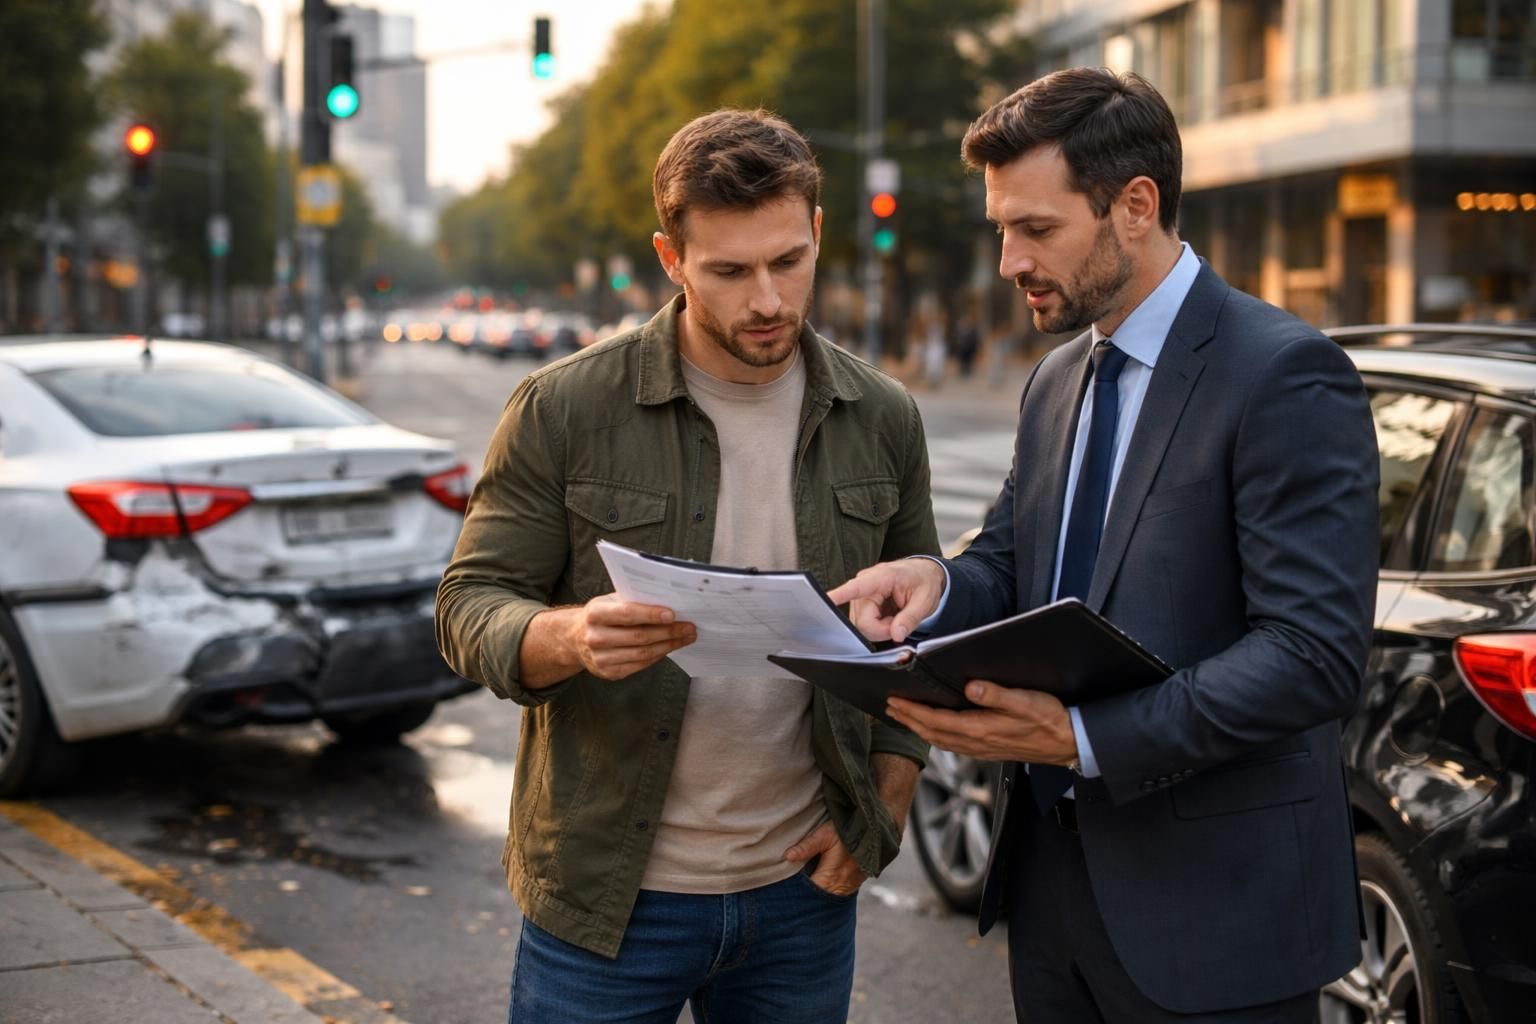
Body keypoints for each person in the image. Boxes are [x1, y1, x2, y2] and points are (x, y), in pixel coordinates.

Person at [829, 68, 1378, 1023]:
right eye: (1001, 228)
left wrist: (1082, 739)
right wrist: (933, 583)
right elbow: (1010, 563)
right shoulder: (1054, 382)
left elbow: (1313, 655)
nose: (1008, 261)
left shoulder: (1285, 373)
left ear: (1135, 206)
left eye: (1035, 229)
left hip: (1216, 921)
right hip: (1052, 898)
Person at [436, 108, 939, 1024]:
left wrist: (890, 798)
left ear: (819, 231)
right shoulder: (564, 407)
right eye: (730, 271)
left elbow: (919, 630)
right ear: (671, 258)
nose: (769, 301)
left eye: (789, 261)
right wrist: (568, 636)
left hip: (802, 894)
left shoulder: (884, 417)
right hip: (608, 899)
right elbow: (468, 605)